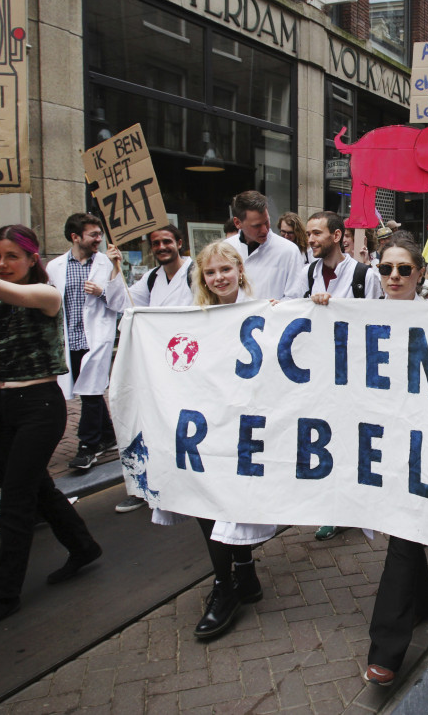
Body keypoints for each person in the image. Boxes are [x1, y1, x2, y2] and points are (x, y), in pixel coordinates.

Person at [0, 187, 102, 633]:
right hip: (2, 407)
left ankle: (2, 596)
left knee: (15, 502)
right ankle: (83, 546)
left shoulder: (47, 295)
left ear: (31, 260)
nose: (2, 263)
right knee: (37, 488)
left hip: (39, 408)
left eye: (12, 255)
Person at [149, 241, 277, 639]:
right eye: (210, 272)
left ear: (240, 270)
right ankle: (228, 584)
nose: (219, 277)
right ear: (201, 278)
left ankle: (242, 575)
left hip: (247, 427)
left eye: (225, 269)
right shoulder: (191, 320)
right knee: (207, 498)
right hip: (208, 425)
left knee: (233, 500)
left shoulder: (268, 312)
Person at [355, 238, 428, 686]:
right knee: (405, 531)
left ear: (421, 274)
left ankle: (386, 650)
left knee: (404, 531)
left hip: (422, 446)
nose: (393, 277)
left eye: (404, 270)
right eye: (385, 268)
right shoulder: (357, 316)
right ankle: (423, 599)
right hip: (378, 441)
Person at [103, 224, 194, 513]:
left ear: (179, 243)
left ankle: (189, 482)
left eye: (167, 241)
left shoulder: (196, 274)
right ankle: (150, 481)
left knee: (182, 424)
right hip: (158, 367)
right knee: (154, 423)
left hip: (189, 366)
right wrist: (115, 268)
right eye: (155, 243)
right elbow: (120, 302)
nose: (161, 247)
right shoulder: (152, 279)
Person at [304, 211, 383, 541]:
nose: (310, 240)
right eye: (308, 234)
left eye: (317, 234)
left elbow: (381, 323)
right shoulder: (309, 271)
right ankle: (332, 509)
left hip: (357, 376)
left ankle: (361, 501)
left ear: (337, 236)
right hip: (322, 374)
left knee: (356, 440)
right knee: (327, 439)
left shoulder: (364, 276)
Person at [47, 214, 118, 470]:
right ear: (75, 237)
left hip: (96, 338)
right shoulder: (54, 267)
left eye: (100, 234)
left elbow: (122, 300)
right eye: (93, 235)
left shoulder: (107, 264)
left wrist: (102, 293)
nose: (99, 239)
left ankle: (87, 446)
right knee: (92, 391)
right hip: (70, 340)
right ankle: (108, 437)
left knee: (89, 392)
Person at [225, 190, 306, 300]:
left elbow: (295, 296)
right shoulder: (226, 248)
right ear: (237, 223)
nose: (264, 230)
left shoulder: (289, 250)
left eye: (267, 222)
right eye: (256, 226)